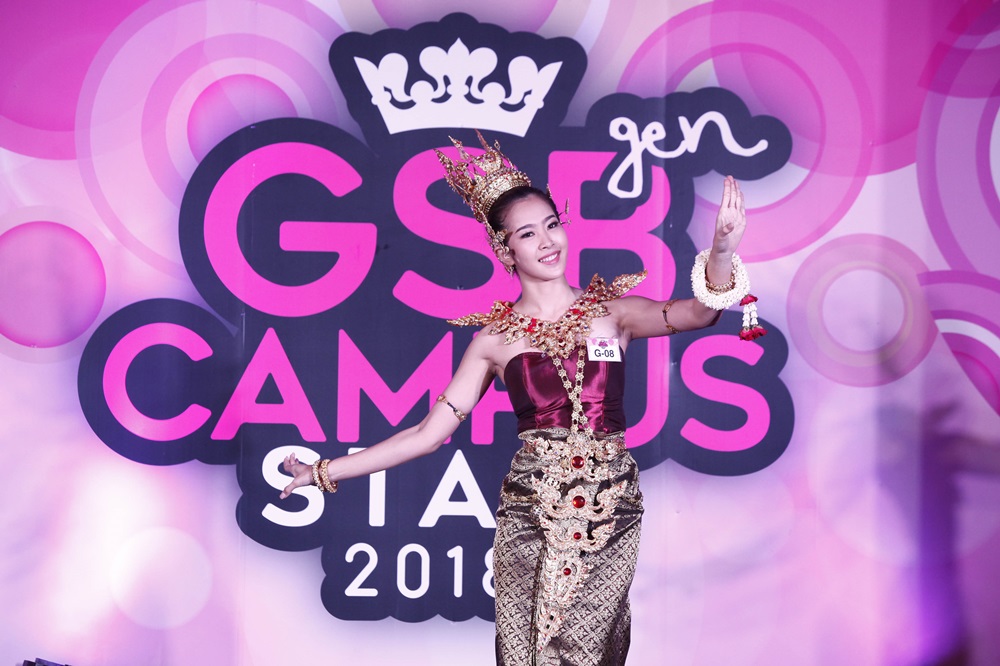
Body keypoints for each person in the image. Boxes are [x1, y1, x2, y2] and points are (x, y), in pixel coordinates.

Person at [278, 132, 760, 665]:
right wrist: (325, 471)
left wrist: (721, 252)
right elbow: (427, 435)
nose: (547, 242)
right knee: (526, 653)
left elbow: (698, 313)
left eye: (552, 225)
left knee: (584, 651)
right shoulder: (494, 340)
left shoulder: (614, 314)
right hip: (530, 511)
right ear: (505, 249)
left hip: (609, 508)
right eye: (528, 233)